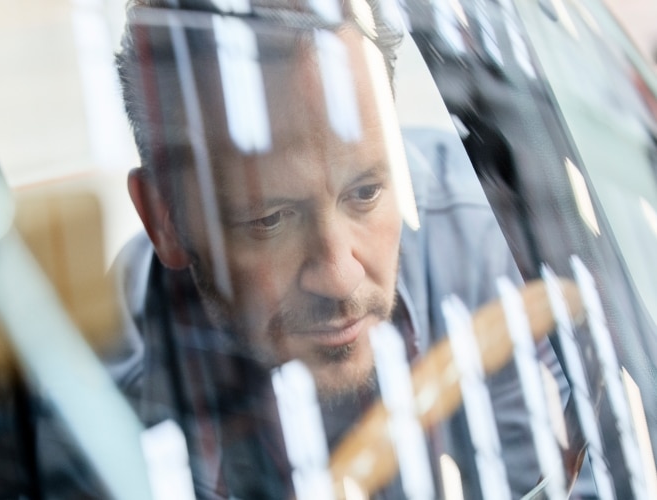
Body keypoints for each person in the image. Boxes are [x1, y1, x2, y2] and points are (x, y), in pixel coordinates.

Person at [103, 0, 573, 498]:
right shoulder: (106, 409)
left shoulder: (484, 239)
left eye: (366, 192)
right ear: (165, 221)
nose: (340, 276)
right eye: (269, 219)